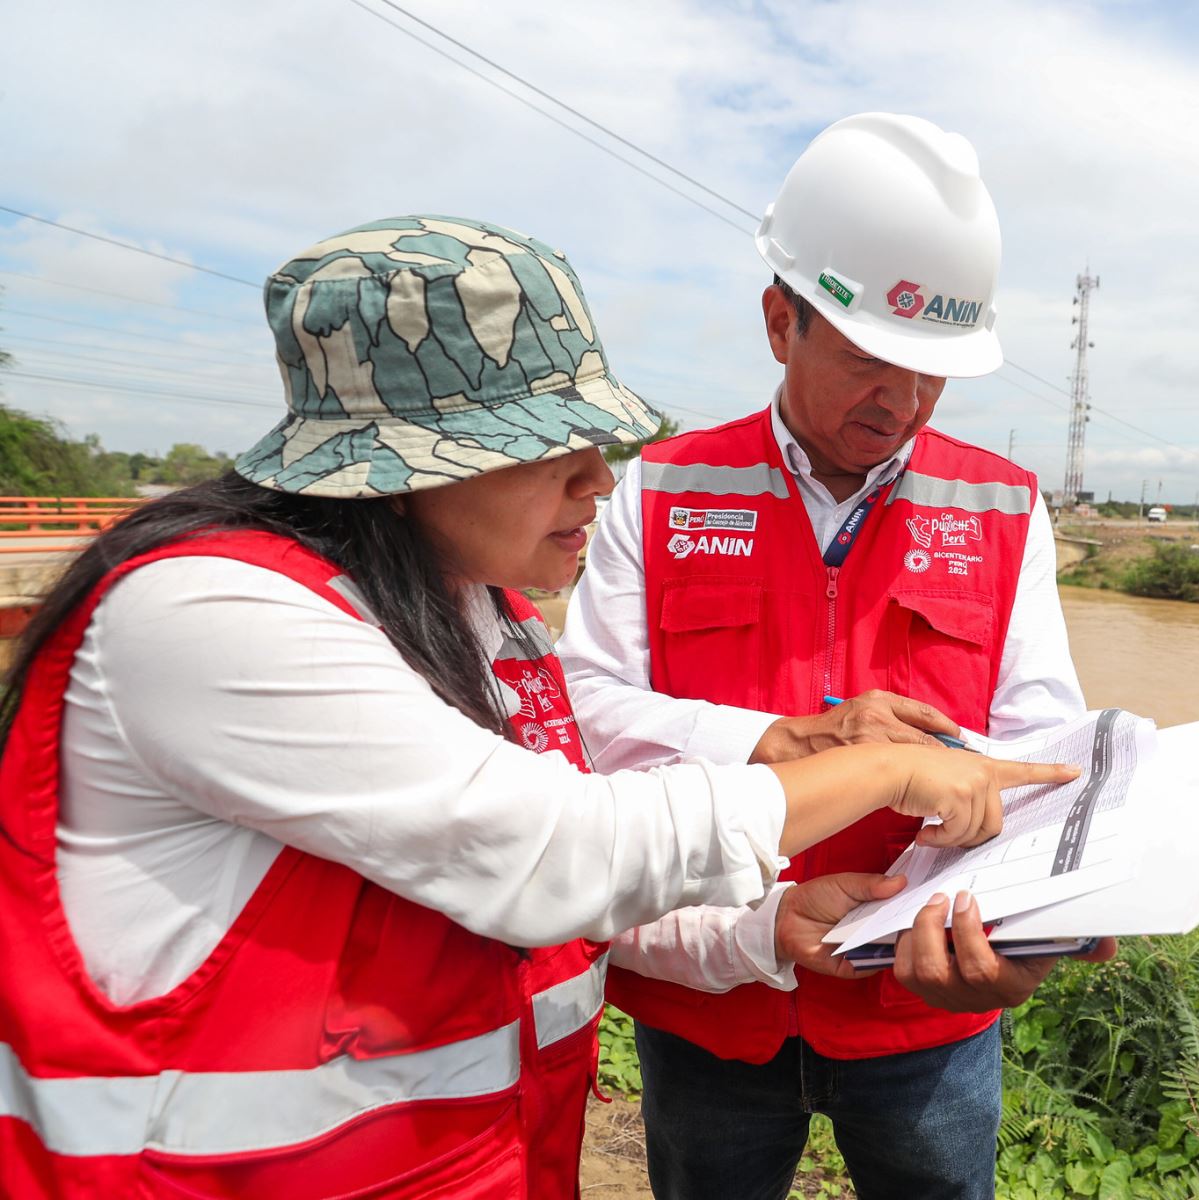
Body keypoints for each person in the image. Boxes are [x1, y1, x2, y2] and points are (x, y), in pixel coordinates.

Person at [0, 215, 1072, 1200]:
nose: (597, 482)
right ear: (410, 461)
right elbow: (549, 848)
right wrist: (870, 765)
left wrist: (760, 930)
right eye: (550, 445)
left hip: (499, 1150)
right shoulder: (217, 613)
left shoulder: (487, 618)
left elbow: (563, 895)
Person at [559, 115, 1109, 1200]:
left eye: (934, 377)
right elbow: (581, 712)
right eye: (871, 360)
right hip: (709, 994)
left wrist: (1047, 922)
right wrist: (769, 739)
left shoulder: (1002, 506)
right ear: (781, 321)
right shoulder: (661, 491)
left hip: (922, 1012)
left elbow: (1042, 745)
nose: (902, 405)